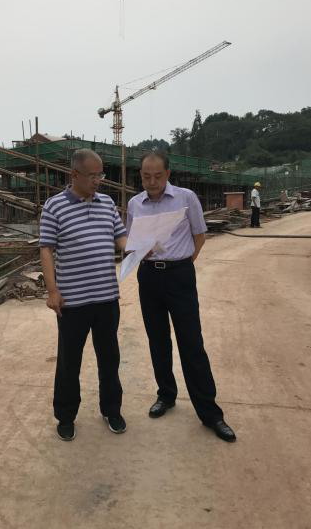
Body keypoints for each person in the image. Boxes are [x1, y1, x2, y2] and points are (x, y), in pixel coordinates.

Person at [127, 150, 236, 442]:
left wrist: (185, 263)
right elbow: (132, 241)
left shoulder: (186, 198)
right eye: (146, 177)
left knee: (191, 343)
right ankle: (166, 394)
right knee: (157, 339)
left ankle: (210, 413)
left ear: (168, 174)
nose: (152, 182)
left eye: (157, 176)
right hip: (149, 277)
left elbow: (199, 235)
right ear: (141, 176)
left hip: (179, 275)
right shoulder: (135, 204)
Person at [40, 149, 128, 441]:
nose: (98, 180)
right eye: (93, 175)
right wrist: (53, 291)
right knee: (69, 362)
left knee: (109, 358)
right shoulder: (54, 206)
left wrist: (138, 246)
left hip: (106, 298)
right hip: (73, 302)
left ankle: (111, 410)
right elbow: (46, 249)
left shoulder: (107, 203)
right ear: (75, 175)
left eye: (100, 174)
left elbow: (120, 237)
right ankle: (66, 416)